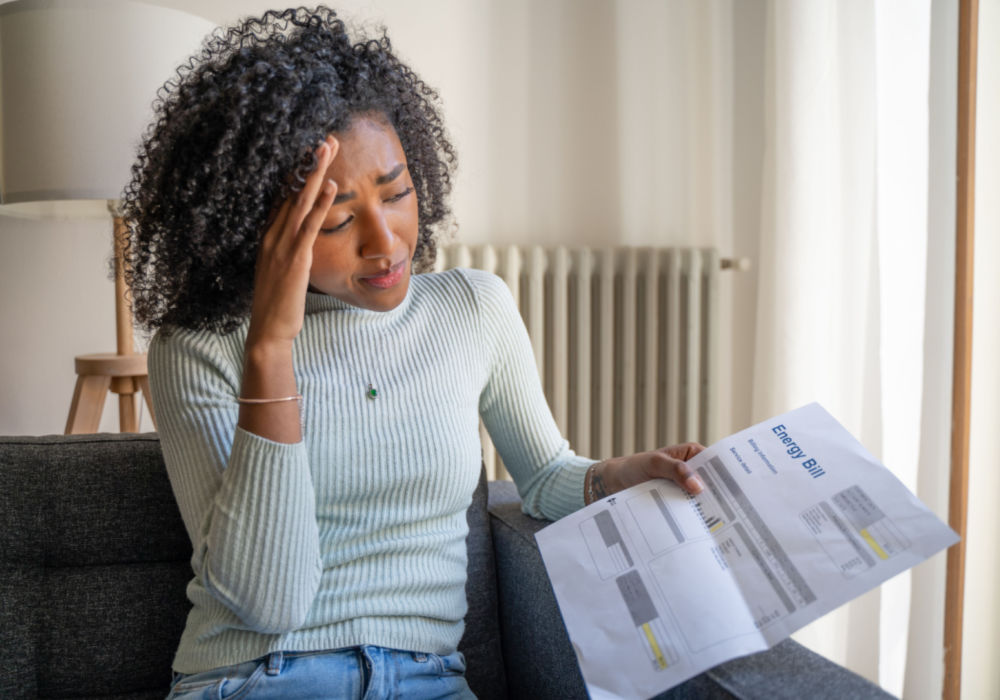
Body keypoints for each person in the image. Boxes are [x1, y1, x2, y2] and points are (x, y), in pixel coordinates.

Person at [123, 7, 894, 699]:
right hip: (257, 679)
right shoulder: (201, 349)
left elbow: (546, 477)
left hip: (428, 679)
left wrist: (620, 474)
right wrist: (272, 348)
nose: (387, 241)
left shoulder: (472, 308)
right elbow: (269, 601)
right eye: (335, 219)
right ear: (261, 228)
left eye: (395, 192)